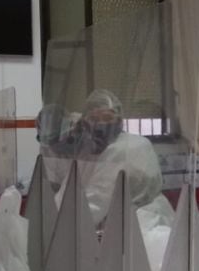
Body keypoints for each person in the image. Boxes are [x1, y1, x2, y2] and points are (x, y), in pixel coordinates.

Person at [53, 90, 173, 229]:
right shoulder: (89, 151)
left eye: (107, 118)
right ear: (84, 121)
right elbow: (69, 187)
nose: (101, 124)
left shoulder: (127, 147)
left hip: (142, 224)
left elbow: (98, 200)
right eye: (94, 118)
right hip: (118, 222)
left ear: (120, 120)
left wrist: (60, 223)